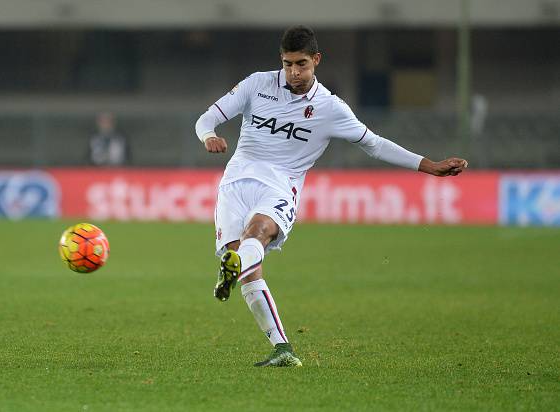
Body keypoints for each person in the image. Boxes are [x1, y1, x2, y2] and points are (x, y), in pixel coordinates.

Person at [194, 25, 468, 367]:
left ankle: (232, 270)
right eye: (288, 63)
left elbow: (375, 144)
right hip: (235, 183)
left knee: (257, 236)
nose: (294, 72)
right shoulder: (256, 84)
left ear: (317, 61)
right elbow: (207, 118)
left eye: (302, 64)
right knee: (250, 271)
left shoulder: (330, 108)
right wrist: (208, 135)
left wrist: (429, 165)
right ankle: (281, 348)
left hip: (280, 186)